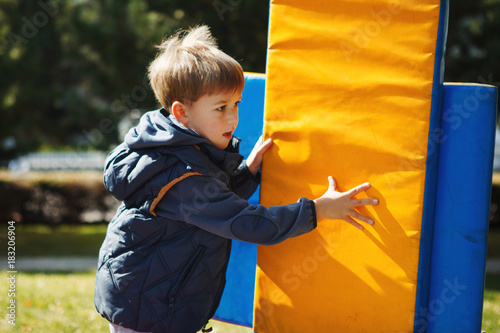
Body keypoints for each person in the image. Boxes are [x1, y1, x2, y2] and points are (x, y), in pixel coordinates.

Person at [94, 25, 378, 333]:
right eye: (220, 108)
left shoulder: (181, 152)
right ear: (181, 112)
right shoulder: (181, 176)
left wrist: (248, 172)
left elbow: (213, 202)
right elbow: (246, 222)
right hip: (149, 308)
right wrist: (318, 209)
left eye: (236, 104)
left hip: (152, 299)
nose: (233, 118)